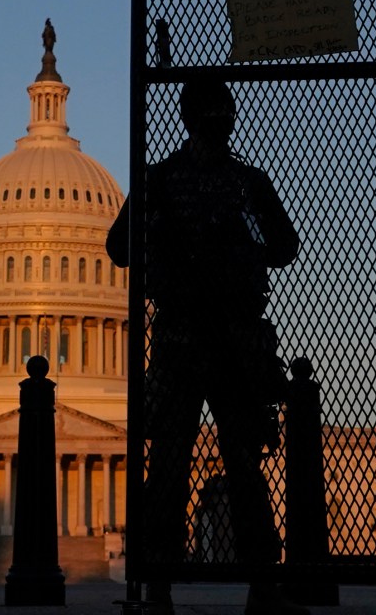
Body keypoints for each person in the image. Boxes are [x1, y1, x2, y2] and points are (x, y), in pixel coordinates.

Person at [106, 77, 304, 615]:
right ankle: (173, 586)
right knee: (186, 465)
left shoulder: (213, 182)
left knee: (221, 464)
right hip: (199, 335)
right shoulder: (192, 182)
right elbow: (119, 247)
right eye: (216, 109)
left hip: (213, 338)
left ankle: (218, 586)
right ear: (200, 116)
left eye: (224, 108)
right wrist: (172, 238)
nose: (222, 118)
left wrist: (233, 237)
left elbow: (283, 245)